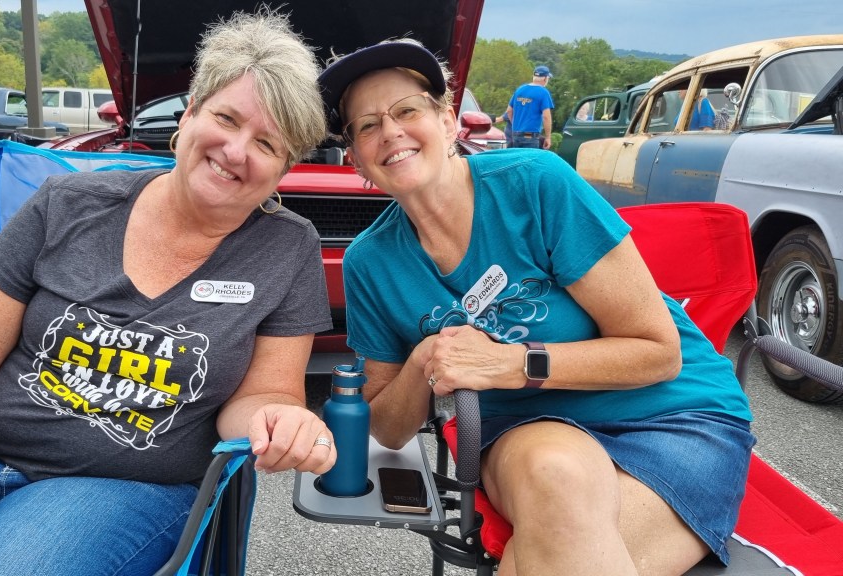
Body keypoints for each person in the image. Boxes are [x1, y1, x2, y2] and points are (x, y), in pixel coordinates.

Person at [0, 9, 336, 575]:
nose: (236, 151)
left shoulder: (286, 248)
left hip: (116, 486)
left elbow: (265, 395)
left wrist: (280, 420)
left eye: (266, 143)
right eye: (226, 118)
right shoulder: (67, 205)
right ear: (189, 113)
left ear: (285, 166)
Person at [319, 39, 755, 575]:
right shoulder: (370, 262)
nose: (390, 131)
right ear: (356, 158)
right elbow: (386, 429)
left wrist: (512, 363)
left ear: (448, 121)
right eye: (367, 126)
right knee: (555, 475)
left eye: (407, 110)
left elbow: (659, 353)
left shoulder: (534, 183)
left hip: (672, 415)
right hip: (529, 430)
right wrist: (425, 358)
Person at [505, 65, 555, 149]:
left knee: (518, 157)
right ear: (545, 78)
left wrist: (516, 126)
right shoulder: (543, 92)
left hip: (516, 134)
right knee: (529, 157)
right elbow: (546, 117)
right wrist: (548, 137)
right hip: (530, 136)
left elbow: (509, 111)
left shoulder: (520, 89)